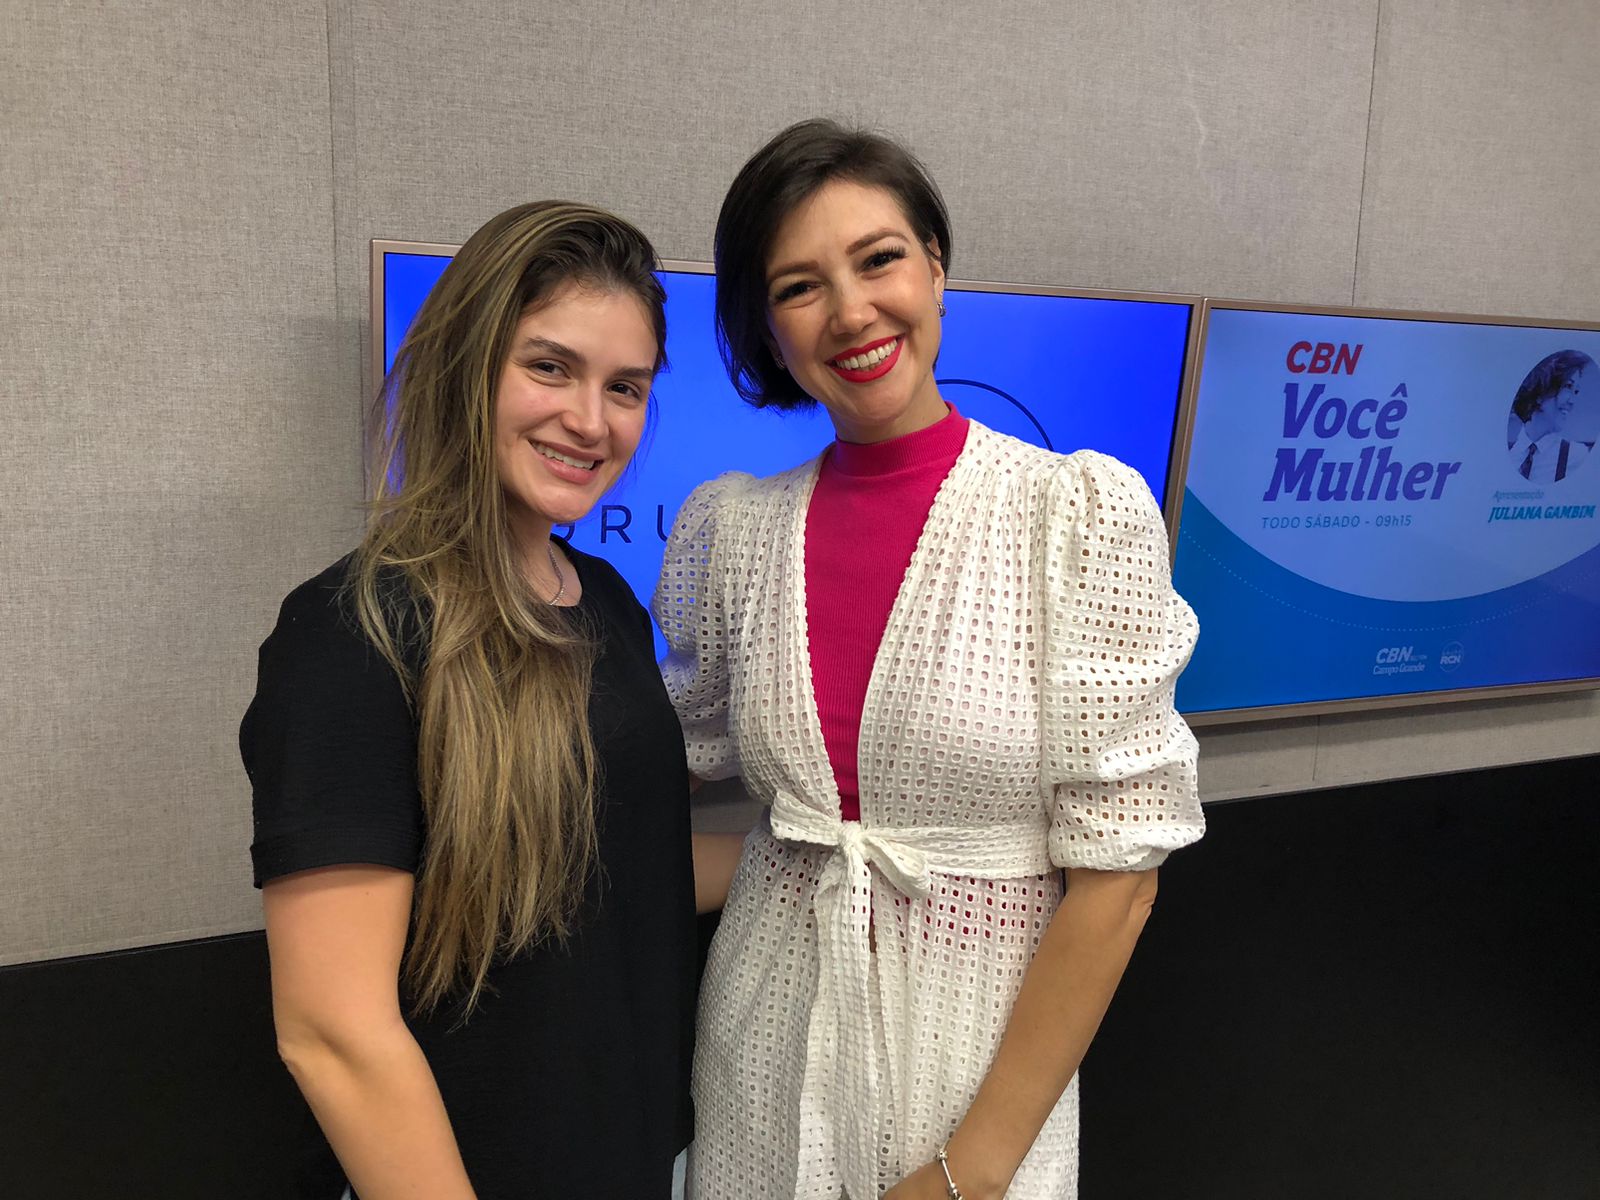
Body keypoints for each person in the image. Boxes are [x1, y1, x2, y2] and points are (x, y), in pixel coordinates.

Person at [655, 120, 1205, 1200]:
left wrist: (970, 1170)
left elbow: (1117, 882)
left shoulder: (1071, 515)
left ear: (936, 268)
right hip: (758, 1059)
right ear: (767, 330)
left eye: (879, 259)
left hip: (975, 1088)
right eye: (800, 286)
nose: (852, 311)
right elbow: (678, 785)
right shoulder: (730, 532)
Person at [241, 201, 698, 1200]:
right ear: (464, 363)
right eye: (549, 367)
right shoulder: (351, 632)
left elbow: (619, 854)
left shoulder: (609, 603)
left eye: (625, 387)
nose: (590, 420)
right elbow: (331, 1033)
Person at [1506, 350, 1594, 483]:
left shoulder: (1576, 456)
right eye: (1568, 386)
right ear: (1540, 390)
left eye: (1576, 391)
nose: (1572, 401)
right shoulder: (1508, 454)